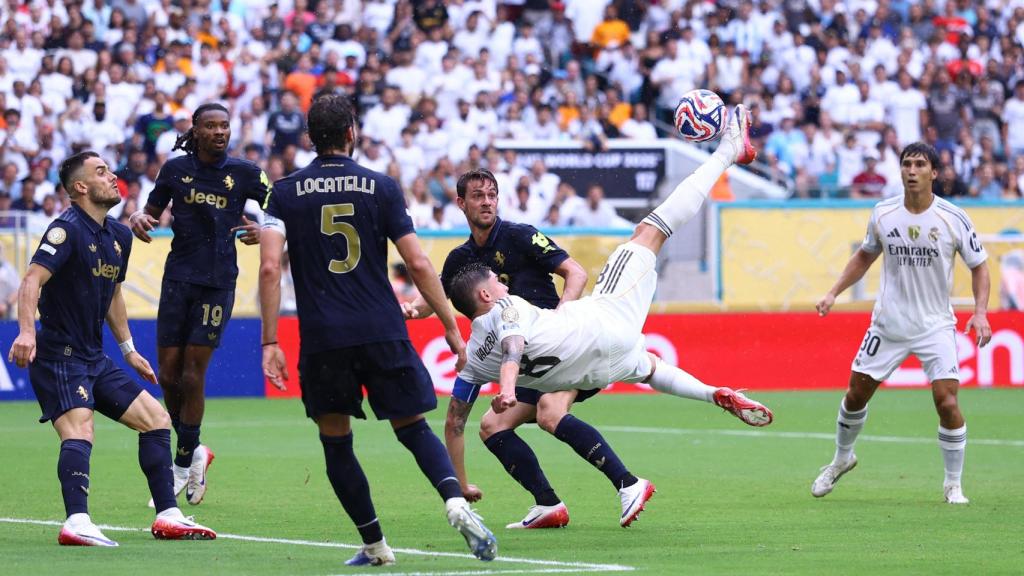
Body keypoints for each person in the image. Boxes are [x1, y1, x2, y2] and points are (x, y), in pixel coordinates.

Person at [447, 106, 773, 527]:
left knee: (641, 371)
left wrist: (458, 483)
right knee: (650, 230)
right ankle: (727, 150)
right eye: (497, 280)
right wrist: (509, 385)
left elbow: (458, 414)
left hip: (590, 366)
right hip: (597, 324)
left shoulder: (475, 356)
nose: (504, 283)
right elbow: (511, 342)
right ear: (489, 292)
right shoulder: (509, 307)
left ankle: (708, 398)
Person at [258, 92, 497, 566]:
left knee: (336, 440)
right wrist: (451, 326)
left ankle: (375, 545)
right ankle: (453, 500)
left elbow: (269, 268)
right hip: (383, 328)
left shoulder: (282, 193)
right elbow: (418, 261)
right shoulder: (382, 186)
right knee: (412, 428)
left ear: (310, 137)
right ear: (352, 132)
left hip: (325, 337)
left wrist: (269, 340)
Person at [7, 151, 216, 546]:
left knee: (156, 418)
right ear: (80, 188)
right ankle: (76, 522)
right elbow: (31, 281)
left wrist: (128, 349)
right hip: (58, 357)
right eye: (101, 172)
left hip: (94, 357)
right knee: (81, 428)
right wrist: (27, 333)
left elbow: (113, 295)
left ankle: (168, 515)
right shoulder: (64, 230)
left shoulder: (119, 236)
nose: (112, 176)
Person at [402, 167, 590, 529]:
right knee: (489, 426)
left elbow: (576, 273)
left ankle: (627, 484)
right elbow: (435, 296)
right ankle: (548, 504)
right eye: (478, 195)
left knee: (550, 411)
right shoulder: (460, 260)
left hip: (552, 350)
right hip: (516, 362)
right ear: (460, 203)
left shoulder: (521, 236)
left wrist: (564, 318)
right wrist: (412, 309)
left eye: (492, 194)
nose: (487, 202)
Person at [812, 142, 991, 505]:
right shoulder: (883, 213)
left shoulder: (953, 218)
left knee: (947, 401)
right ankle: (842, 459)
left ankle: (953, 485)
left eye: (920, 164)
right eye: (906, 164)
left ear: (934, 173)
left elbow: (980, 266)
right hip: (888, 325)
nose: (911, 170)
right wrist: (833, 292)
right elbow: (864, 255)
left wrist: (981, 311)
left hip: (935, 325)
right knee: (855, 395)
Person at [128, 103, 267, 507]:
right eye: (211, 126)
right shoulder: (175, 170)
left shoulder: (245, 172)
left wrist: (266, 228)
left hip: (218, 282)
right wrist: (139, 218)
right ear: (197, 130)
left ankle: (182, 460)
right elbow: (148, 212)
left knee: (192, 373)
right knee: (168, 376)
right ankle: (198, 449)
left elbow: (281, 207)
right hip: (177, 278)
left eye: (225, 125)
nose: (220, 132)